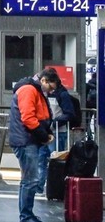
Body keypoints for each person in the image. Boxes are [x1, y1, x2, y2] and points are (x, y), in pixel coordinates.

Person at [8, 69, 59, 222]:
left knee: (29, 179)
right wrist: (44, 136)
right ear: (43, 80)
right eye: (51, 86)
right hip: (26, 141)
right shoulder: (29, 90)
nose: (52, 91)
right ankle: (26, 216)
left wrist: (46, 133)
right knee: (30, 180)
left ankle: (27, 214)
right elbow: (28, 118)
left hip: (28, 140)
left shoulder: (34, 90)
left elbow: (40, 116)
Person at [36, 67, 78, 195]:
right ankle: (40, 187)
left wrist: (54, 123)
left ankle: (53, 187)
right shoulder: (45, 93)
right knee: (41, 159)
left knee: (54, 161)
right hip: (46, 131)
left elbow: (69, 113)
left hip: (58, 132)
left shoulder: (62, 94)